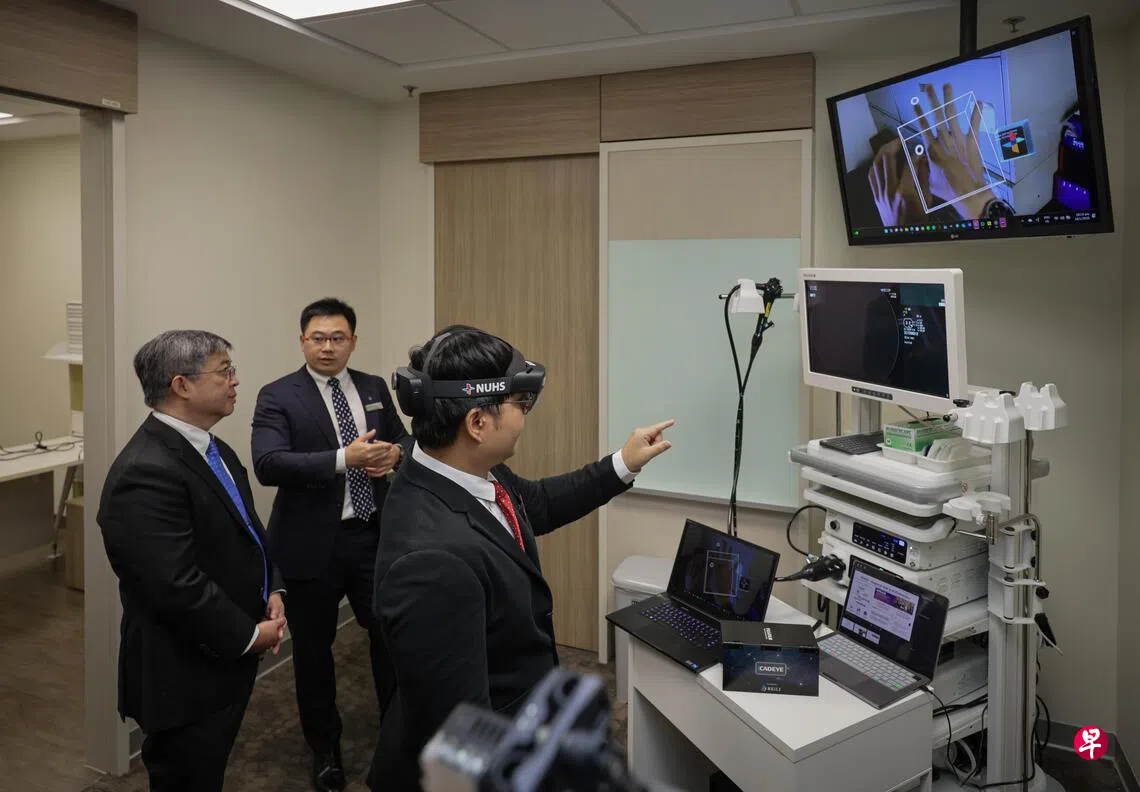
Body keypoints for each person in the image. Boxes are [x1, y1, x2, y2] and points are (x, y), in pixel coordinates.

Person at [368, 325, 674, 791]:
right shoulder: (431, 564)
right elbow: (461, 738)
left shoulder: (455, 467)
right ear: (477, 423)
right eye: (520, 405)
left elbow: (539, 505)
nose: (524, 418)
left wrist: (623, 463)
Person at [98, 330, 286, 792]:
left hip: (222, 659)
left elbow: (249, 532)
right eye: (225, 371)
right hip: (184, 675)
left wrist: (273, 588)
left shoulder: (212, 448)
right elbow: (174, 584)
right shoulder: (145, 471)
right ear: (181, 385)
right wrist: (249, 636)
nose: (235, 381)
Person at [251, 297, 411, 792]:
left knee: (390, 638)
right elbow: (268, 464)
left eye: (337, 338)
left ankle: (397, 738)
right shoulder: (278, 395)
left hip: (372, 537)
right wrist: (345, 458)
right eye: (317, 338)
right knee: (314, 654)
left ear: (353, 342)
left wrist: (395, 455)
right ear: (302, 341)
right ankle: (325, 749)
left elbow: (403, 441)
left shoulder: (373, 386)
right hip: (309, 545)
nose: (327, 347)